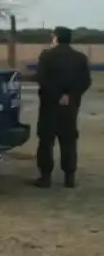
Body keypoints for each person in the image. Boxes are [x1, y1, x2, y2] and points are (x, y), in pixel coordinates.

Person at [33, 26, 92, 188]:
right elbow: (85, 81)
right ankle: (69, 177)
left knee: (46, 141)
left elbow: (42, 79)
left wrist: (57, 95)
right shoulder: (80, 58)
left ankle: (45, 177)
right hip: (70, 107)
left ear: (56, 38)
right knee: (69, 141)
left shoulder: (47, 56)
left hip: (49, 105)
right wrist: (70, 95)